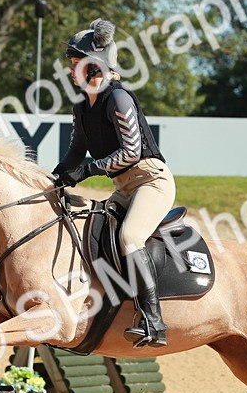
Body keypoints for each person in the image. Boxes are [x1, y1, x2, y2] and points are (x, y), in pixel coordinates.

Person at [52, 18, 173, 348]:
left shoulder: (118, 98)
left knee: (131, 237)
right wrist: (56, 178)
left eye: (77, 64)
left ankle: (154, 322)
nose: (71, 70)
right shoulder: (81, 105)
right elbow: (76, 150)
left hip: (151, 181)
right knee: (91, 229)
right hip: (124, 188)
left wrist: (89, 170)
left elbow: (131, 152)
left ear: (95, 66)